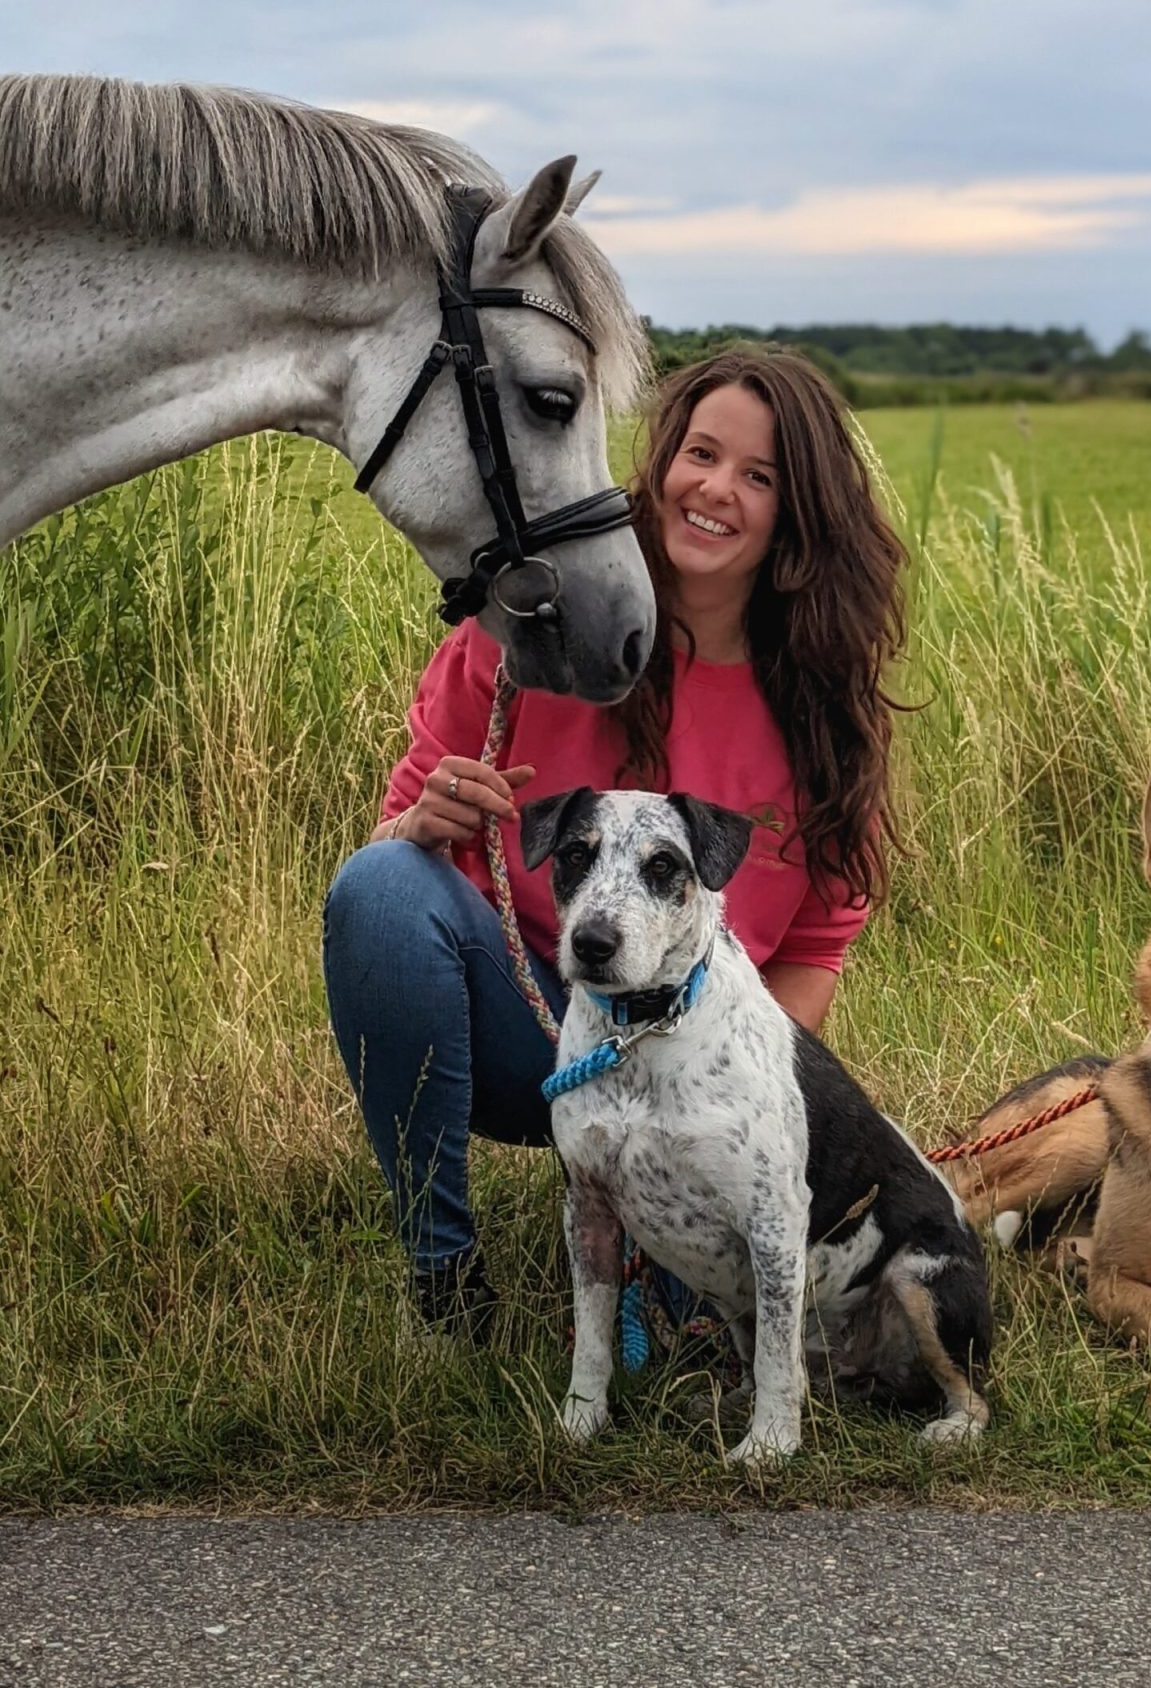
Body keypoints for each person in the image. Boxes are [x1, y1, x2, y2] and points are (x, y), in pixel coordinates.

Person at [323, 346, 908, 1337]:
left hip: (683, 1063)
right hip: (525, 1021)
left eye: (758, 476)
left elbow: (800, 977)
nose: (716, 488)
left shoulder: (819, 722)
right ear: (659, 461)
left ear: (797, 518)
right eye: (701, 452)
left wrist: (734, 1161)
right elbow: (393, 846)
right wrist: (421, 822)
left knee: (699, 1329)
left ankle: (660, 1250)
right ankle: (445, 1275)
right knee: (380, 883)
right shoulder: (525, 632)